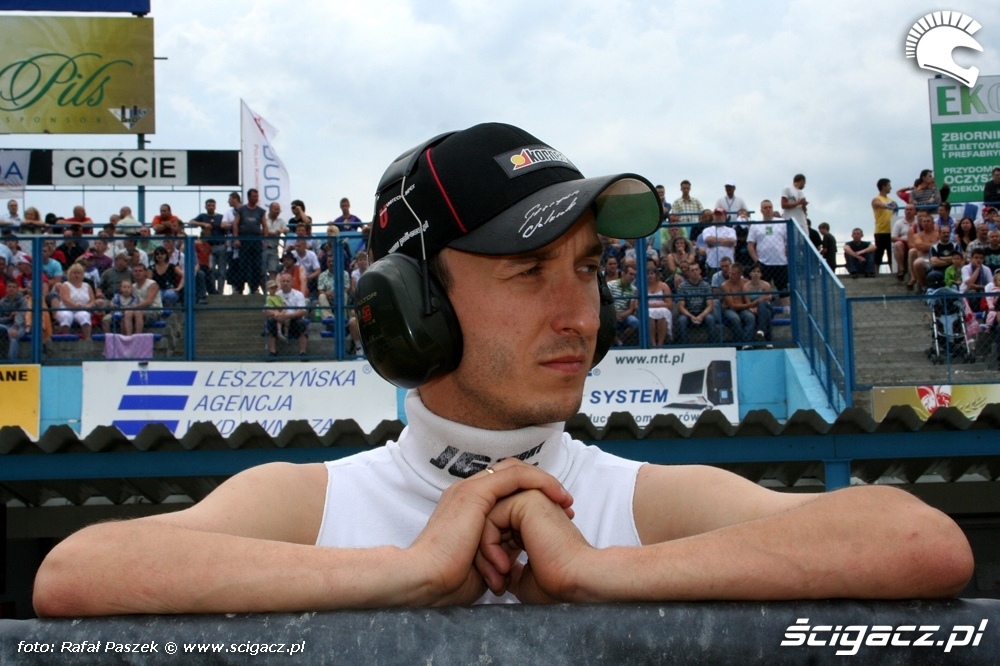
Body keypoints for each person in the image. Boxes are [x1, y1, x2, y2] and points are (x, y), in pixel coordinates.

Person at [33, 122, 973, 617]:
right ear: (412, 305)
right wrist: (407, 571)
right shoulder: (311, 503)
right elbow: (78, 574)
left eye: (588, 269)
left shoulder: (640, 502)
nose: (580, 314)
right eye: (528, 272)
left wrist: (600, 575)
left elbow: (918, 542)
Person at [746, 200, 789, 300]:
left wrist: (786, 256)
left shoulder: (782, 222)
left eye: (770, 207)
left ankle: (787, 309)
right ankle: (764, 308)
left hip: (781, 262)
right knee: (763, 291)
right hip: (763, 263)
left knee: (784, 291)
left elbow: (787, 242)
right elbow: (750, 245)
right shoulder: (756, 225)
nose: (768, 209)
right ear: (761, 210)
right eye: (765, 207)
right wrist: (757, 261)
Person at [676, 262, 721, 343]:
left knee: (710, 318)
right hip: (688, 313)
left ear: (700, 271)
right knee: (682, 320)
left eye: (696, 269)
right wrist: (691, 316)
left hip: (703, 313)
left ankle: (713, 344)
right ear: (688, 272)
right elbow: (681, 306)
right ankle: (684, 345)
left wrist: (701, 316)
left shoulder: (706, 285)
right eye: (692, 270)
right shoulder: (682, 286)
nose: (695, 272)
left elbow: (710, 305)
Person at [266, 271, 309, 357]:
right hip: (279, 320)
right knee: (270, 322)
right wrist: (275, 314)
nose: (285, 283)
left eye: (288, 281)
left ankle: (303, 352)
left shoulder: (298, 294)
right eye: (283, 281)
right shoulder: (275, 295)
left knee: (302, 323)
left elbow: (302, 311)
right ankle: (272, 352)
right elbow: (267, 309)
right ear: (280, 283)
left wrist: (287, 316)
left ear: (292, 282)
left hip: (293, 320)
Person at [190, 198, 226, 295]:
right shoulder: (202, 216)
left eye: (213, 205)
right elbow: (191, 222)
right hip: (207, 247)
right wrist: (203, 224)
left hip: (221, 245)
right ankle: (212, 292)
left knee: (222, 271)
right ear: (205, 206)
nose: (211, 207)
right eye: (209, 205)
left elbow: (227, 226)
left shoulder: (221, 217)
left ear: (215, 206)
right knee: (211, 270)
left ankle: (220, 292)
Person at [54, 263, 95, 338]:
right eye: (74, 273)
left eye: (79, 273)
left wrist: (88, 306)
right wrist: (76, 305)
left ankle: (87, 339)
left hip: (82, 309)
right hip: (66, 308)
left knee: (85, 316)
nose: (76, 275)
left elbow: (92, 300)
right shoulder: (65, 285)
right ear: (70, 274)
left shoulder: (87, 286)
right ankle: (64, 338)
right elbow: (66, 300)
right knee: (66, 316)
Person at [607, 261, 639, 345]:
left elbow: (631, 308)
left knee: (635, 322)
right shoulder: (610, 285)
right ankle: (617, 341)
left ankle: (620, 341)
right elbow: (606, 303)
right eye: (630, 274)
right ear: (623, 273)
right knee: (604, 321)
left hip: (625, 314)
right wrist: (614, 314)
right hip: (610, 313)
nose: (633, 277)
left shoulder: (633, 289)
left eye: (634, 275)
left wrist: (622, 315)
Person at [871, 178, 896, 272]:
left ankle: (893, 273)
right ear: (883, 186)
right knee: (878, 254)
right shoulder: (876, 199)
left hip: (891, 231)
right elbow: (878, 204)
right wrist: (889, 206)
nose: (890, 187)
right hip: (880, 231)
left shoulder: (891, 199)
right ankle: (875, 273)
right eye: (889, 185)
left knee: (891, 255)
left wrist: (892, 205)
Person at [644, 262, 672, 346]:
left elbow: (669, 304)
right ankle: (653, 344)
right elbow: (637, 305)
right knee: (649, 314)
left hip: (662, 309)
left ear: (656, 275)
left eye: (652, 273)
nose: (650, 276)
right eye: (647, 274)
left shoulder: (664, 286)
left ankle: (660, 344)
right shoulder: (642, 286)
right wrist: (656, 304)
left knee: (663, 313)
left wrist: (653, 305)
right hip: (648, 310)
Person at [0, 277, 28, 360]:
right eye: (9, 287)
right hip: (5, 325)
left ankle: (11, 362)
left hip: (20, 326)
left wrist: (15, 327)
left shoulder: (23, 301)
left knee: (13, 337)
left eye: (14, 287)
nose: (11, 289)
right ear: (6, 289)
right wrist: (9, 318)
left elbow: (22, 315)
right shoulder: (2, 302)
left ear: (17, 289)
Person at [892, 205, 917, 280]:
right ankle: (901, 269)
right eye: (907, 209)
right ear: (904, 211)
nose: (908, 211)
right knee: (897, 244)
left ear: (915, 211)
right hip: (904, 242)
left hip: (917, 242)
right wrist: (906, 240)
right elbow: (893, 237)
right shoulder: (899, 222)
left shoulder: (918, 221)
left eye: (910, 209)